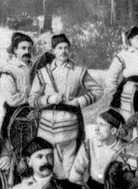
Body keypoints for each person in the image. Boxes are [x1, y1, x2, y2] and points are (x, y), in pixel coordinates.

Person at [28, 33, 102, 176]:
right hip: (46, 130)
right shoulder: (42, 73)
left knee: (69, 172)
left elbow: (98, 91)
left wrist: (78, 101)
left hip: (69, 129)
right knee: (47, 171)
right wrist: (49, 99)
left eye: (66, 48)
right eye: (59, 48)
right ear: (53, 51)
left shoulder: (79, 71)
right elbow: (32, 99)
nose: (63, 51)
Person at [103, 25, 138, 127]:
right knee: (128, 121)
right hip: (127, 93)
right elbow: (111, 75)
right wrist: (114, 93)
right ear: (131, 40)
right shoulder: (124, 54)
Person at [0, 32, 34, 138]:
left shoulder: (36, 67)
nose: (27, 51)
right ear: (15, 50)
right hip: (14, 117)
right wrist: (35, 98)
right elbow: (12, 99)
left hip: (34, 115)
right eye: (23, 48)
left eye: (29, 48)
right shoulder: (8, 70)